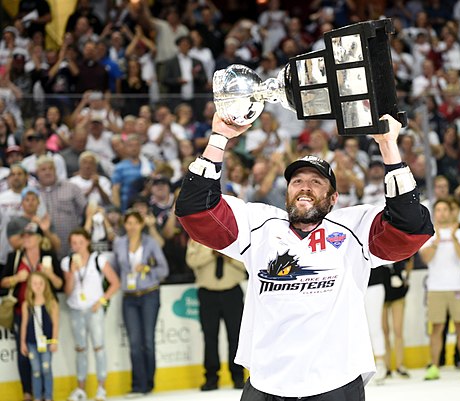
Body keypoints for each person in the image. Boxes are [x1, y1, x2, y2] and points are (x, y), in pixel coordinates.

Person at [175, 113, 433, 400]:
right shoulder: (258, 226)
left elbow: (411, 226)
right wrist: (219, 138)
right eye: (297, 181)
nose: (305, 187)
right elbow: (193, 209)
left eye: (316, 182)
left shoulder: (354, 229)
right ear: (287, 192)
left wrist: (388, 147)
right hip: (266, 384)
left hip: (334, 382)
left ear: (333, 198)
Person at [0, 222, 63, 401]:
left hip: (46, 311)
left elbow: (60, 285)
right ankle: (28, 393)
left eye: (30, 236)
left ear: (38, 238)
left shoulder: (48, 256)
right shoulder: (15, 256)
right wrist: (16, 278)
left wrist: (49, 274)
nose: (26, 239)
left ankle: (46, 395)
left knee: (45, 359)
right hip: (23, 310)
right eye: (24, 236)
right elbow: (2, 282)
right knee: (24, 354)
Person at [112, 209, 168, 397]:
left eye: (135, 223)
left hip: (149, 293)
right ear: (124, 225)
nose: (132, 226)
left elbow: (163, 269)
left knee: (148, 341)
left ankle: (149, 383)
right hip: (129, 296)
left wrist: (147, 267)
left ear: (141, 224)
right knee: (134, 342)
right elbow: (115, 267)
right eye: (128, 223)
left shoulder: (150, 243)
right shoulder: (119, 243)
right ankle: (138, 384)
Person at [419, 199, 460, 380]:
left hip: (457, 286)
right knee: (437, 328)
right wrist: (436, 242)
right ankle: (434, 366)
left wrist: (452, 239)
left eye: (445, 209)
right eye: (439, 210)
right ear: (434, 213)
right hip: (436, 287)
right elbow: (426, 258)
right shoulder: (427, 234)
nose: (442, 213)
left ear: (451, 212)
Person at [62, 228, 120, 401]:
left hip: (94, 310)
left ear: (87, 242)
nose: (77, 246)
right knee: (80, 349)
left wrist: (101, 301)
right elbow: (67, 291)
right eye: (73, 243)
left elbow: (115, 283)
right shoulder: (67, 261)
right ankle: (81, 389)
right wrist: (72, 272)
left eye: (80, 242)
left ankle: (101, 387)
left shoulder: (98, 259)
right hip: (76, 310)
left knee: (99, 347)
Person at [185, 240, 246, 391]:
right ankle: (211, 378)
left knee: (235, 335)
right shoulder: (198, 237)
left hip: (232, 292)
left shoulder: (236, 237)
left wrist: (229, 257)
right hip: (207, 293)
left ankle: (238, 376)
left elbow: (248, 263)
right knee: (210, 336)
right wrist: (212, 253)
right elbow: (191, 261)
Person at [19, 272, 59, 401]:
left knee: (46, 368)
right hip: (32, 343)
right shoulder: (27, 304)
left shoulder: (51, 303)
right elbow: (24, 325)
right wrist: (22, 343)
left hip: (46, 343)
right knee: (36, 370)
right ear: (30, 285)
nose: (38, 286)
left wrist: (54, 341)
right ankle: (37, 396)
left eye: (41, 283)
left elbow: (56, 324)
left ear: (45, 285)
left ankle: (48, 396)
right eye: (35, 283)